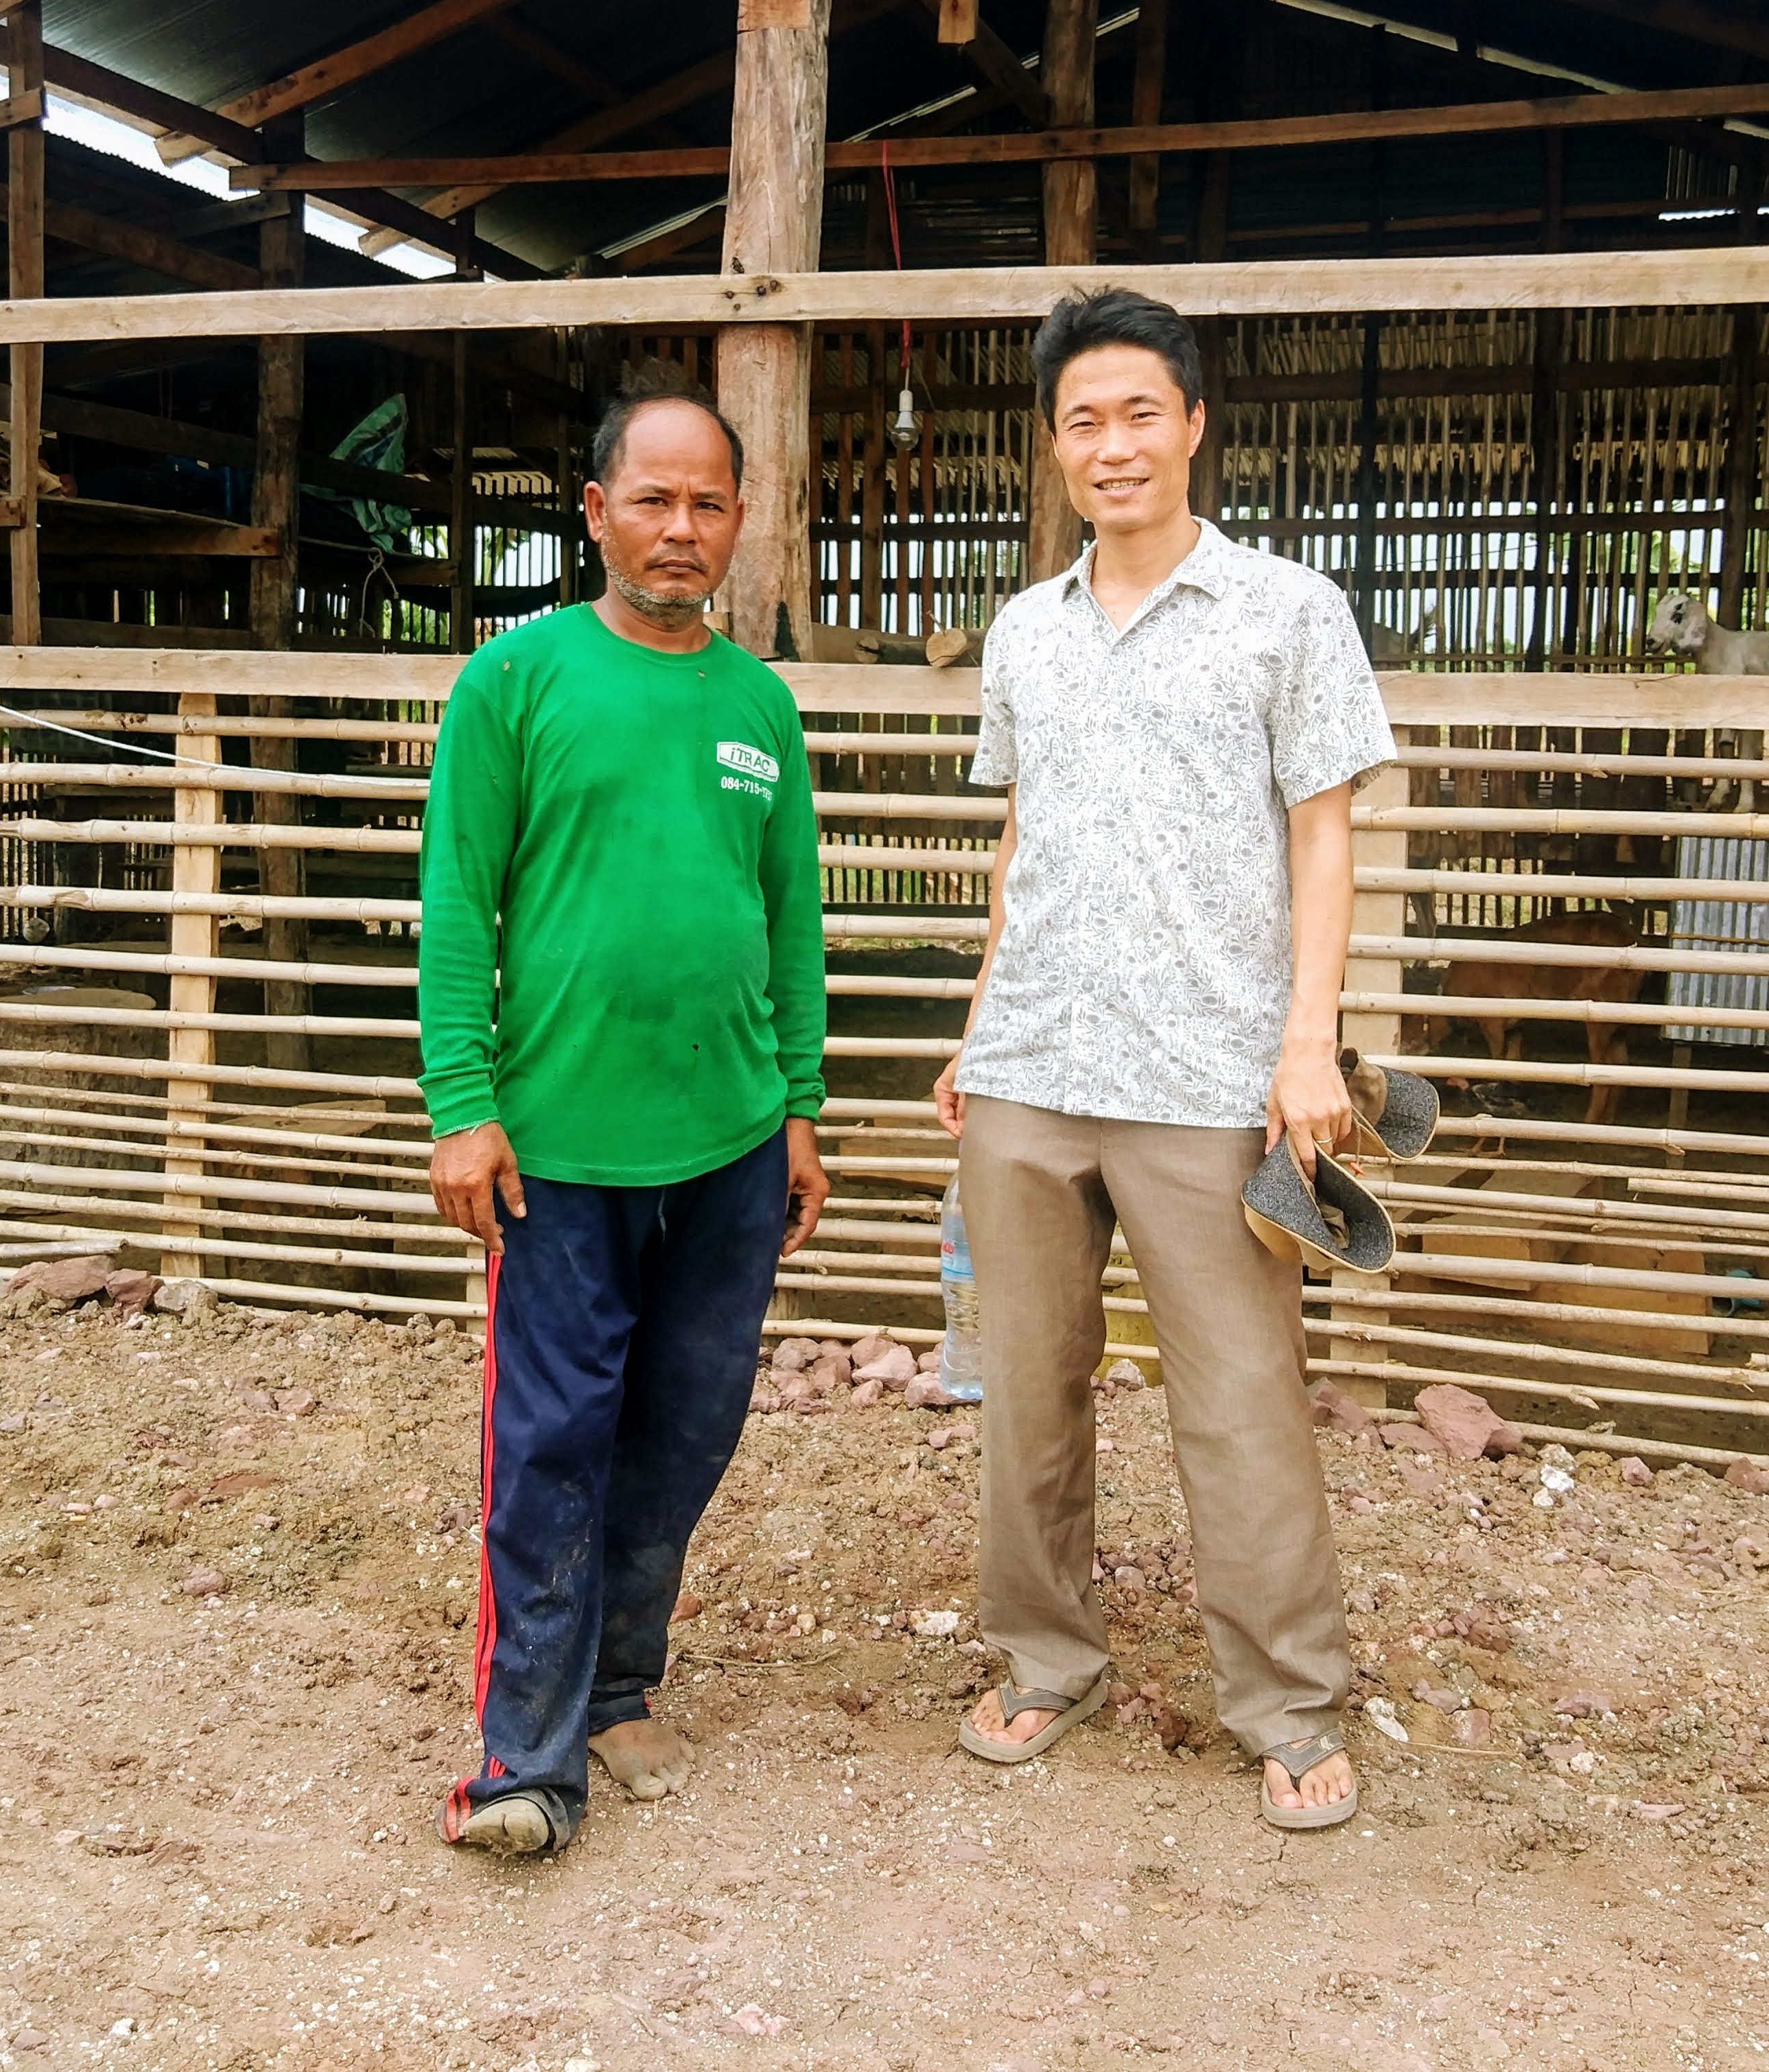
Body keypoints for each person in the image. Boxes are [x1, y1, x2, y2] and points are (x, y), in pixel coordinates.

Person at [932, 288, 1393, 1832]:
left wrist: (1306, 1040)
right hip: (1032, 1066)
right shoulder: (1024, 632)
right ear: (1054, 446)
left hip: (1207, 1074)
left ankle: (1284, 1700)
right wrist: (977, 1021)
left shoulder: (1283, 609)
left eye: (1140, 412)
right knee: (1026, 1390)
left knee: (1243, 1398)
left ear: (1195, 423)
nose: (1111, 443)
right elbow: (1024, 840)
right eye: (1083, 420)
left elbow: (1323, 834)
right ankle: (1043, 1660)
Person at [419, 389, 832, 1857]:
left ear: (737, 519)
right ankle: (522, 1762)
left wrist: (798, 1106)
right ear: (594, 513)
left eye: (706, 504)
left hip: (726, 1141)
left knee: (683, 1432)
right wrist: (462, 1105)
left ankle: (619, 1684)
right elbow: (457, 905)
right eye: (651, 501)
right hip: (562, 1150)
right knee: (551, 1442)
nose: (679, 529)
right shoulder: (513, 682)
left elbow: (791, 919)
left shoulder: (758, 704)